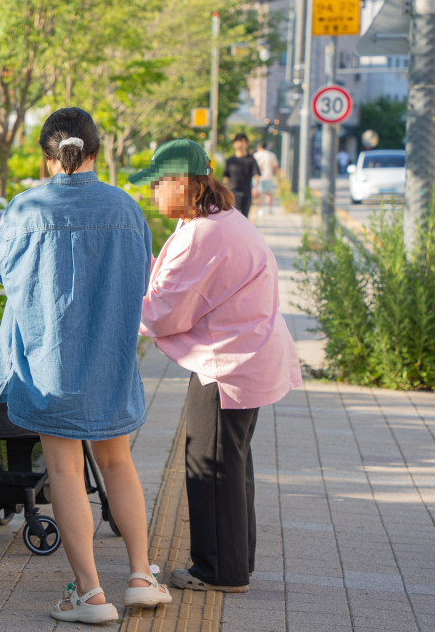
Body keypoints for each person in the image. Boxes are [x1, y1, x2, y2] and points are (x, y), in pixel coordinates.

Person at [0, 107, 171, 624]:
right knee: (118, 463)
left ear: (48, 158)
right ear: (95, 152)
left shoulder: (25, 208)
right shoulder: (127, 209)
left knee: (64, 470)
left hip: (50, 366)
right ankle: (140, 577)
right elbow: (141, 276)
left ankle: (89, 594)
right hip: (109, 358)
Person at [131, 139, 302, 594]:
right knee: (232, 463)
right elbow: (176, 285)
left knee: (209, 464)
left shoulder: (204, 233)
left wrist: (119, 300)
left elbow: (166, 310)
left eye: (158, 185)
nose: (154, 195)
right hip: (245, 357)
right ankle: (235, 562)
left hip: (228, 365)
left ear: (183, 183)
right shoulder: (220, 221)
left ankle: (218, 571)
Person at [223, 133, 258, 217]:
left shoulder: (251, 160)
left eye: (243, 141)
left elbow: (256, 175)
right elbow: (226, 177)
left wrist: (255, 188)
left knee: (245, 216)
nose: (240, 144)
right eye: (238, 141)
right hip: (232, 192)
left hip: (246, 192)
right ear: (234, 144)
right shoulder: (230, 160)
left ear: (247, 144)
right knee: (232, 216)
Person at [252, 141, 279, 216]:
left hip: (258, 177)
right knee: (269, 193)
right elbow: (275, 167)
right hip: (269, 177)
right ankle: (270, 208)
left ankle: (260, 209)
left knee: (260, 194)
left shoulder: (256, 155)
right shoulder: (271, 155)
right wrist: (279, 177)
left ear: (259, 147)